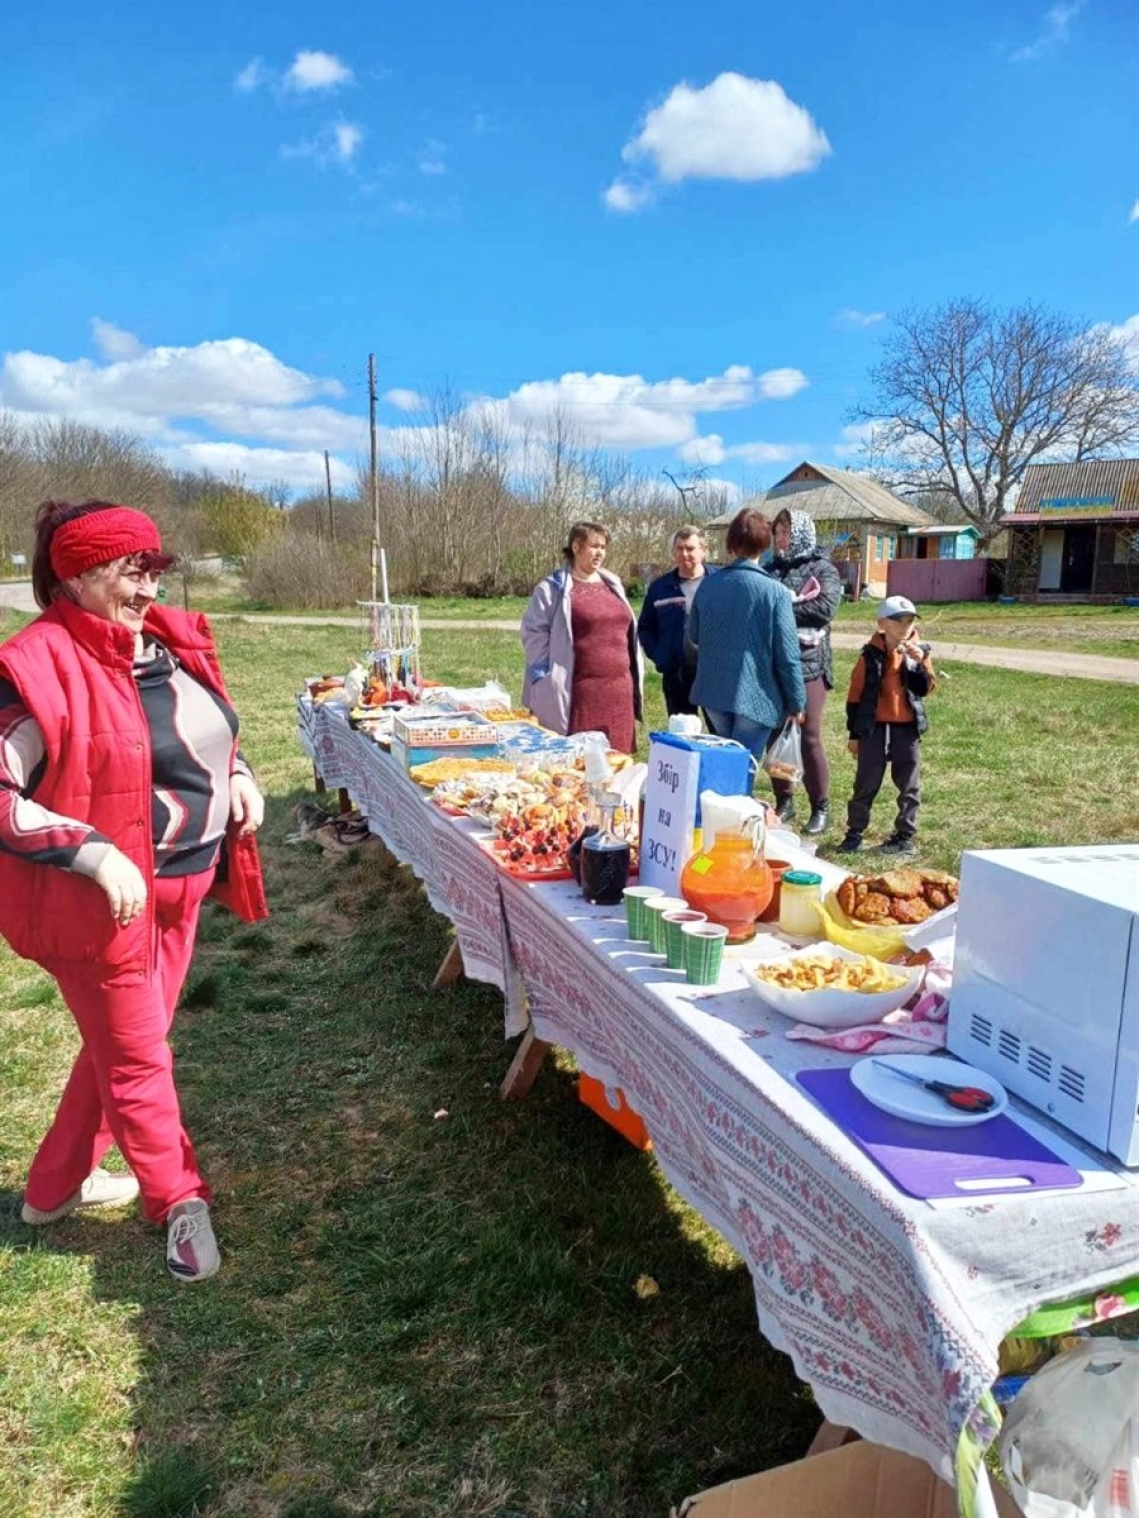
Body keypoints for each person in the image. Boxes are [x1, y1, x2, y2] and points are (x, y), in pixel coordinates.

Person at [0, 500, 268, 1282]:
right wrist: (89, 851)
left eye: (154, 568)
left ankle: (52, 1192)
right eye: (130, 571)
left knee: (122, 1048)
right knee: (141, 1059)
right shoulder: (34, 664)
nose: (149, 587)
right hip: (100, 908)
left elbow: (207, 734)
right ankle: (179, 1202)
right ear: (77, 575)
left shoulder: (159, 647)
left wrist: (240, 777)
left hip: (182, 890)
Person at [688, 507, 806, 776]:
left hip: (714, 692)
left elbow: (694, 635)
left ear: (732, 542)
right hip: (756, 696)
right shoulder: (774, 592)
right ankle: (734, 814)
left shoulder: (708, 585)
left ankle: (720, 812)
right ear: (765, 544)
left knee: (725, 765)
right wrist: (797, 702)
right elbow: (787, 655)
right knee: (742, 771)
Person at [520, 521, 642, 753]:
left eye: (603, 547)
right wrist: (547, 675)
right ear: (576, 546)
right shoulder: (552, 588)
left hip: (618, 691)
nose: (600, 553)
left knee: (616, 762)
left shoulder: (612, 583)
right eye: (594, 546)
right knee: (580, 763)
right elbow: (533, 633)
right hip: (580, 692)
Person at [837, 594, 937, 856]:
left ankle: (905, 835)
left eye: (909, 621)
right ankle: (854, 833)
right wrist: (855, 734)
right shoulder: (869, 656)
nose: (904, 627)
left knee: (909, 784)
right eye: (898, 621)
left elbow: (925, 689)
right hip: (874, 728)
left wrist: (917, 664)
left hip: (907, 729)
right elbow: (855, 697)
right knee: (865, 782)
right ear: (882, 624)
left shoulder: (919, 652)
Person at [764, 508, 844, 835]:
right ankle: (785, 800)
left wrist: (782, 608)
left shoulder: (823, 568)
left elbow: (824, 608)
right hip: (774, 665)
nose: (781, 539)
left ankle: (820, 805)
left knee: (808, 736)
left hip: (810, 665)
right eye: (778, 533)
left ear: (800, 533)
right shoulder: (769, 570)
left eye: (786, 532)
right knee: (775, 734)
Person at [637, 525, 714, 717]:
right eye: (679, 548)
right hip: (676, 673)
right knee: (682, 735)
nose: (684, 554)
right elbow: (646, 627)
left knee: (719, 735)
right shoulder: (660, 588)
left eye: (690, 548)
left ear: (704, 551)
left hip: (714, 671)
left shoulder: (719, 582)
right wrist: (659, 654)